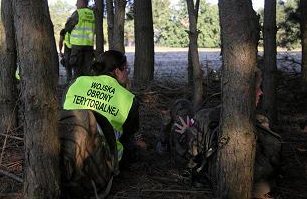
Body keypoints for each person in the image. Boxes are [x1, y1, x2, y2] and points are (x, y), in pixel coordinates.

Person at [157, 69, 281, 199]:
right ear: (245, 91)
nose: (261, 92)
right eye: (257, 88)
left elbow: (191, 156)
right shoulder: (261, 121)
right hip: (256, 184)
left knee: (182, 105)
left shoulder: (206, 116)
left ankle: (164, 136)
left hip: (210, 173)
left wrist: (187, 134)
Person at [59, 50, 139, 198]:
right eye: (126, 69)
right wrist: (126, 92)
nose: (128, 73)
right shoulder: (128, 99)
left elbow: (64, 109)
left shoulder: (77, 82)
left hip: (64, 154)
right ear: (117, 71)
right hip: (98, 166)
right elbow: (129, 133)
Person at [59, 0, 95, 78]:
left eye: (77, 2)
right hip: (89, 45)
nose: (76, 4)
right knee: (87, 68)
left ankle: (76, 86)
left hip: (78, 45)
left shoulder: (78, 13)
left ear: (82, 3)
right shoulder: (92, 13)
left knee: (76, 68)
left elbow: (68, 27)